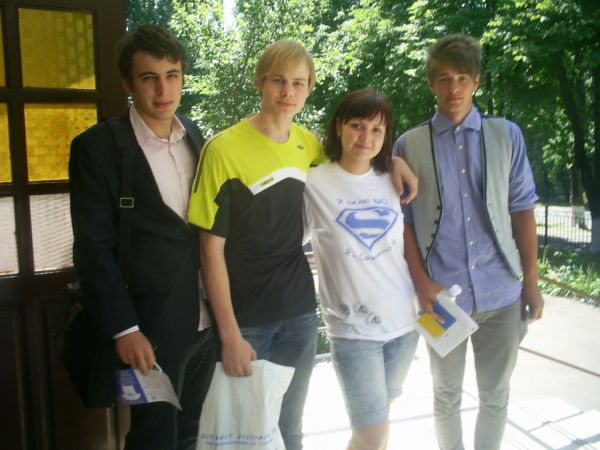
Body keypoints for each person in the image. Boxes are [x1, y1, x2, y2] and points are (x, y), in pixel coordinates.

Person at [188, 40, 417, 450]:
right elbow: (209, 251)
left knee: (292, 429)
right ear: (260, 82)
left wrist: (394, 161)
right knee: (245, 437)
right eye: (278, 80)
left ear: (309, 88)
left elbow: (357, 162)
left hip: (298, 313)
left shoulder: (307, 146)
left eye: (298, 83)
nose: (287, 92)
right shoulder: (222, 149)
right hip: (247, 317)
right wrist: (230, 334)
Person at [393, 34, 544, 450]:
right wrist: (421, 283)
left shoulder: (506, 135)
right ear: (431, 84)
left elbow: (522, 209)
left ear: (476, 81)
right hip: (442, 298)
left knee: (496, 395)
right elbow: (404, 223)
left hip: (502, 291)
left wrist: (531, 282)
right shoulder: (409, 144)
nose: (453, 88)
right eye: (443, 78)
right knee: (445, 396)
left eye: (462, 78)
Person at [69, 24, 216, 450]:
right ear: (127, 83)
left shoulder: (194, 134)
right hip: (148, 331)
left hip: (205, 323)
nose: (163, 89)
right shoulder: (97, 147)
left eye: (172, 75)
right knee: (153, 439)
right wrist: (125, 329)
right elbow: (93, 248)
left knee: (192, 435)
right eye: (149, 77)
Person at [303, 89, 419, 450]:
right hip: (353, 330)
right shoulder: (313, 182)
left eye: (377, 130)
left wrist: (396, 161)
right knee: (370, 435)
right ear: (339, 127)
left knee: (379, 427)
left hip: (404, 326)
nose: (366, 137)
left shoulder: (391, 178)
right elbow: (285, 241)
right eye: (357, 125)